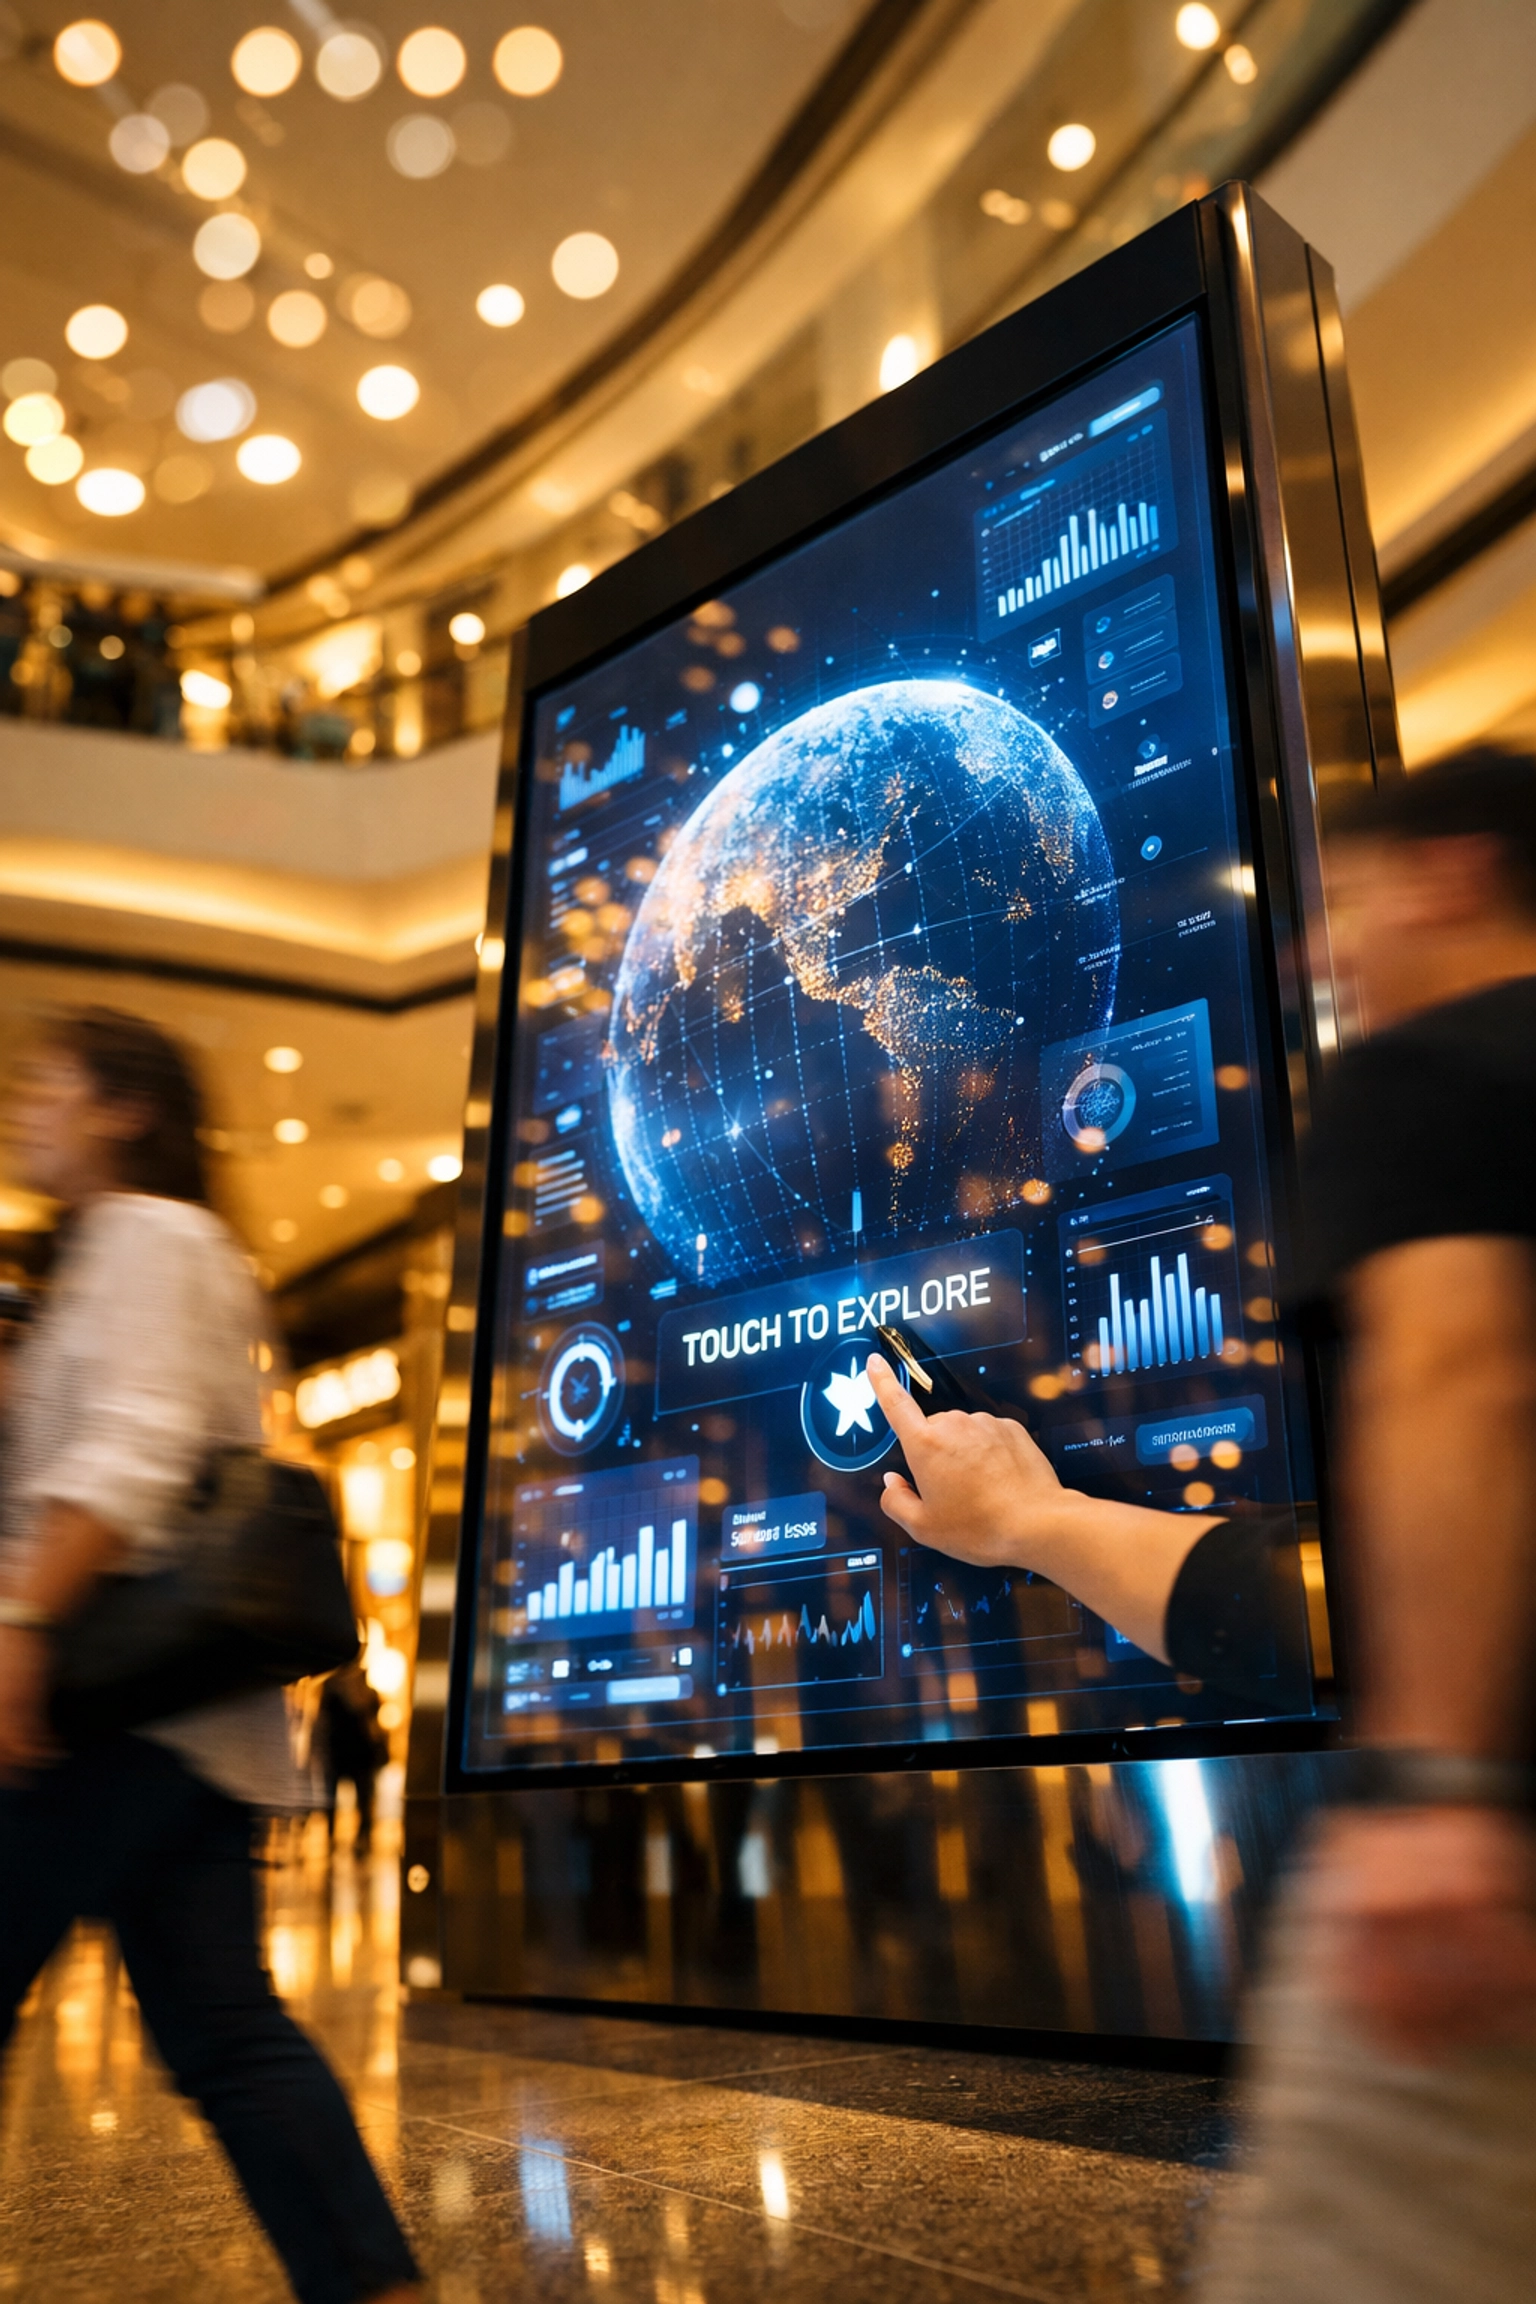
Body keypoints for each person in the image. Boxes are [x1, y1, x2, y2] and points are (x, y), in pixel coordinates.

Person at [871, 745, 1536, 2302]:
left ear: (1452, 874)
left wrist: (1435, 1791)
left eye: (1355, 898)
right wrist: (1036, 1517)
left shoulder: (1440, 1068)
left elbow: (1461, 1377)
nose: (1327, 952)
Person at [0, 1009, 421, 2304]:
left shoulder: (147, 1236)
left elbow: (125, 1455)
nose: (27, 1109)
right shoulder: (139, 1253)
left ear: (125, 1109)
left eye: (49, 1087)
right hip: (176, 1720)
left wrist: (19, 1633)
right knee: (226, 2032)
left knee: (228, 2035)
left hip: (105, 1703)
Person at [321, 1660, 390, 1858]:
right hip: (348, 1753)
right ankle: (349, 1837)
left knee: (358, 1797)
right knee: (352, 1797)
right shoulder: (352, 1691)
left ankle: (359, 1837)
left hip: (352, 1754)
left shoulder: (337, 1689)